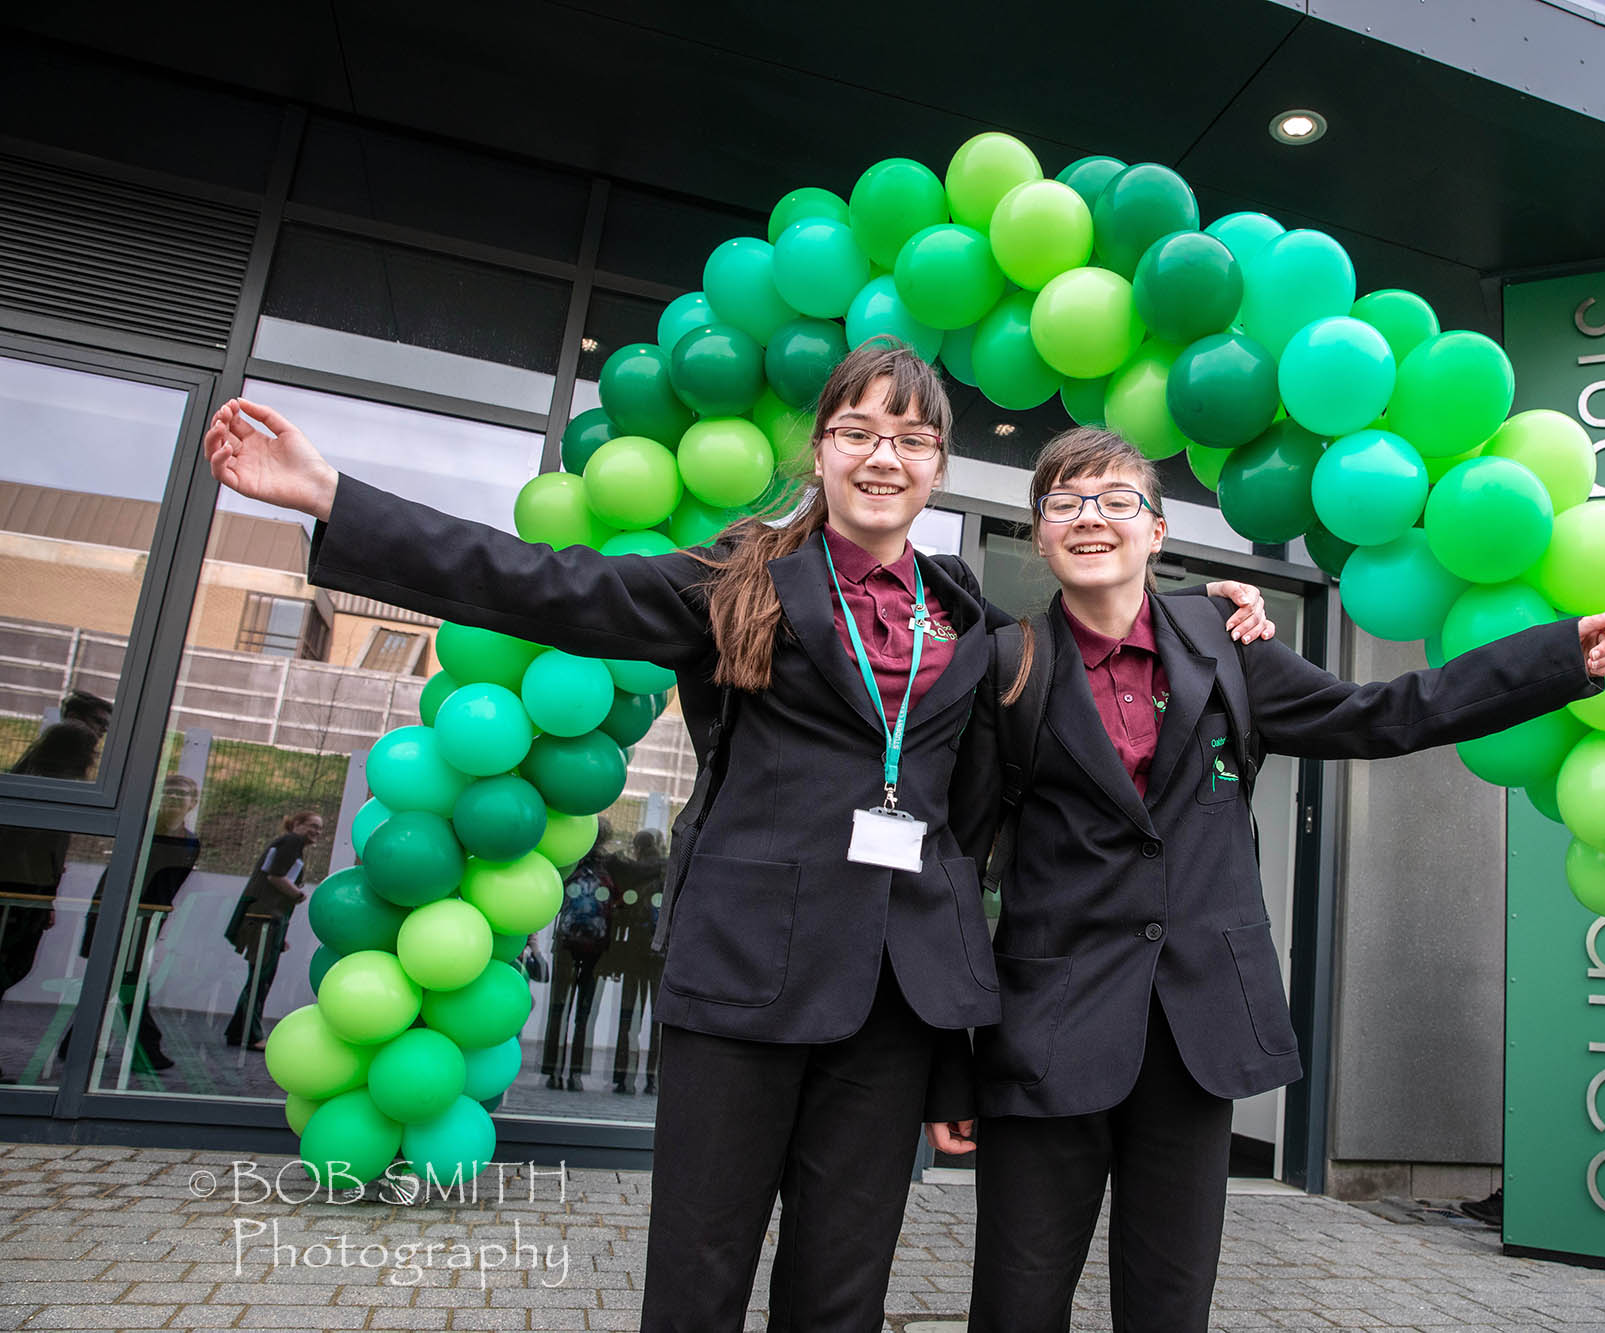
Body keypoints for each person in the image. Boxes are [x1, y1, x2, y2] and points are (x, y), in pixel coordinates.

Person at [200, 339, 1272, 1333]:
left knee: (841, 1287)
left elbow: (1066, 694)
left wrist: (1200, 610)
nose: (881, 455)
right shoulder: (736, 581)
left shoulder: (974, 622)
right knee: (699, 1274)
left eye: (908, 436)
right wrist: (333, 498)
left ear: (936, 462)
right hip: (747, 979)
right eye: (857, 430)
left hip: (895, 1002)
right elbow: (546, 584)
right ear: (821, 449)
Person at [941, 429, 1605, 1333]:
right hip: (1047, 1035)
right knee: (1016, 1306)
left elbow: (1379, 715)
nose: (1090, 519)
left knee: (1170, 1305)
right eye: (1063, 502)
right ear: (1038, 533)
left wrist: (1552, 660)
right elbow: (957, 862)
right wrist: (951, 1064)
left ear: (1156, 531)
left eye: (1116, 500)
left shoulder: (1227, 641)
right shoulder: (1005, 666)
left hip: (1199, 1028)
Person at [0, 691, 114, 1080]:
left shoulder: (54, 742)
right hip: (20, 878)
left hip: (29, 878)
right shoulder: (72, 735)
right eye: (101, 723)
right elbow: (53, 813)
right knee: (7, 965)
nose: (101, 735)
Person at [67, 773, 202, 1073]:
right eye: (168, 792)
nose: (174, 799)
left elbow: (168, 883)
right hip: (114, 915)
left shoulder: (191, 841)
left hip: (145, 922)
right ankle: (146, 1050)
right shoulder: (139, 829)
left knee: (116, 982)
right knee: (127, 983)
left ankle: (75, 1043)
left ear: (193, 802)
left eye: (181, 794)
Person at [222, 810, 322, 1051]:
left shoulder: (288, 844)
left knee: (259, 977)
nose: (317, 832)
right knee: (260, 979)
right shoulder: (291, 841)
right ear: (296, 824)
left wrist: (282, 935)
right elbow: (275, 876)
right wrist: (297, 894)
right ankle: (251, 1035)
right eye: (312, 826)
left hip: (268, 920)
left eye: (320, 828)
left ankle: (238, 1032)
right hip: (264, 920)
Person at [543, 818, 614, 1091]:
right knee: (582, 1013)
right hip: (592, 946)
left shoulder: (572, 863)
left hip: (571, 942)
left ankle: (556, 1070)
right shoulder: (606, 867)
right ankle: (573, 1072)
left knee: (560, 1008)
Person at [605, 827, 668, 1096]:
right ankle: (652, 1079)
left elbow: (619, 914)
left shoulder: (629, 871)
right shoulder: (668, 871)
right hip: (660, 956)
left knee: (627, 1016)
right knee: (657, 1019)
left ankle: (623, 1076)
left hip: (633, 951)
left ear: (637, 847)